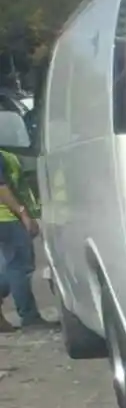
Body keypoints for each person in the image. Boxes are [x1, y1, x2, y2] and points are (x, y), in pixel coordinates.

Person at [0, 140, 50, 332]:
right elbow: (2, 189)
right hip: (7, 218)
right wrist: (23, 214)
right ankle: (29, 317)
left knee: (9, 267)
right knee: (19, 268)